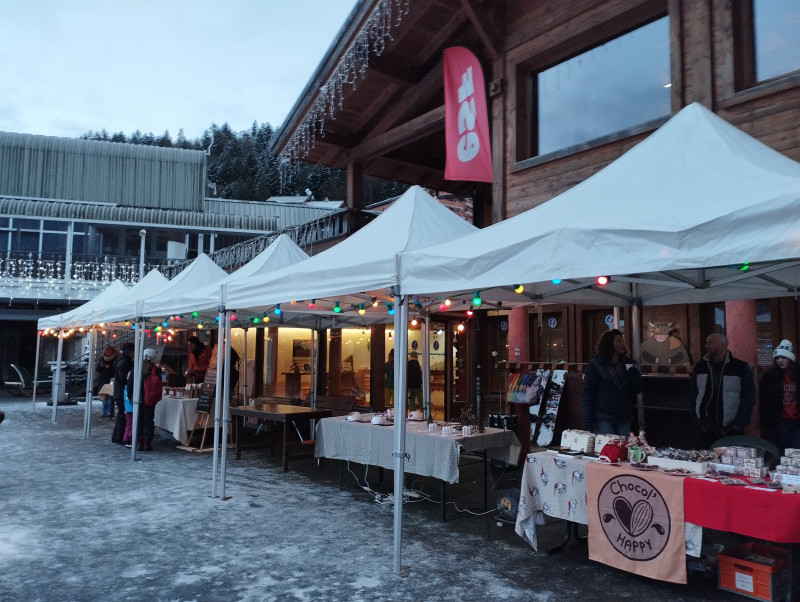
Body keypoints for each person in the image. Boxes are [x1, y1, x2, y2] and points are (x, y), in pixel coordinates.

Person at [689, 332, 755, 448]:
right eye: (706, 343)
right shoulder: (700, 367)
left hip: (730, 428)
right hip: (705, 427)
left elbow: (748, 397)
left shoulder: (740, 367)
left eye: (710, 342)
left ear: (723, 345)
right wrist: (697, 419)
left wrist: (738, 424)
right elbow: (693, 395)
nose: (706, 346)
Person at [582, 329, 642, 436]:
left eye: (623, 341)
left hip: (624, 417)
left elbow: (637, 389)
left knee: (623, 445)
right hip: (604, 417)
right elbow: (588, 392)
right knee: (608, 445)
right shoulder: (596, 364)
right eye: (618, 341)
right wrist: (588, 419)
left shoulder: (627, 364)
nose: (622, 344)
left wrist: (633, 372)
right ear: (609, 344)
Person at [759, 339, 800, 454]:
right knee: (783, 453)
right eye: (777, 358)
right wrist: (767, 422)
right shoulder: (770, 376)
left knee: (797, 453)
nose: (780, 360)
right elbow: (765, 401)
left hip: (797, 421)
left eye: (783, 357)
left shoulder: (797, 374)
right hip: (781, 422)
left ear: (790, 358)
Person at [136, 348, 163, 451]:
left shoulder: (138, 368)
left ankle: (139, 441)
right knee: (149, 420)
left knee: (139, 420)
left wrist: (131, 396)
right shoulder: (156, 370)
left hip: (138, 398)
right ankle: (147, 442)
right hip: (150, 399)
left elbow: (130, 384)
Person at [111, 342, 135, 444]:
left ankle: (119, 436)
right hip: (122, 392)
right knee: (123, 415)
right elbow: (123, 378)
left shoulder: (122, 360)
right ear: (130, 351)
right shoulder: (124, 362)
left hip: (120, 391)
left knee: (122, 414)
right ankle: (119, 436)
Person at [93, 345, 119, 418]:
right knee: (104, 396)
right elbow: (97, 369)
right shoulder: (103, 358)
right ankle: (104, 411)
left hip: (110, 378)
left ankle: (109, 412)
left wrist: (109, 367)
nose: (106, 353)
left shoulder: (115, 359)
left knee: (110, 396)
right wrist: (102, 366)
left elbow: (116, 369)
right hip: (103, 379)